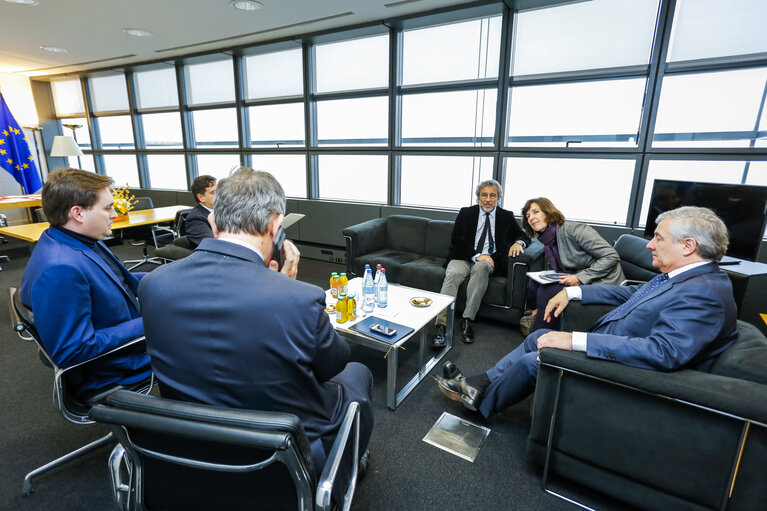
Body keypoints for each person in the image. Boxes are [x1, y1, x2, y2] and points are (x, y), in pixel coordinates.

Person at [138, 167, 374, 496]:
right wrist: (285, 286)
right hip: (278, 455)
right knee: (358, 371)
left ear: (213, 223)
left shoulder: (153, 284)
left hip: (186, 445)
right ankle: (347, 464)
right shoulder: (298, 297)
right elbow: (332, 364)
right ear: (276, 226)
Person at [434, 206, 738, 418]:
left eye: (658, 238)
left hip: (621, 367)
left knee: (533, 360)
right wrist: (572, 291)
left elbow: (663, 352)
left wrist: (575, 341)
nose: (650, 246)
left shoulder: (705, 292)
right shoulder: (686, 277)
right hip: (611, 344)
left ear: (688, 246)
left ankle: (481, 406)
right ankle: (477, 384)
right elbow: (631, 292)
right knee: (539, 335)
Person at [19, 168, 151, 398]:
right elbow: (73, 350)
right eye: (108, 208)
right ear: (78, 213)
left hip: (123, 337)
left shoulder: (76, 238)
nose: (114, 214)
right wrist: (150, 321)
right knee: (203, 341)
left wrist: (170, 279)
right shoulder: (60, 268)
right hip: (114, 368)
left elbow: (119, 280)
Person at [433, 179, 530, 347]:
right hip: (464, 257)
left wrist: (518, 243)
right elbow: (457, 240)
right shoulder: (466, 213)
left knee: (481, 267)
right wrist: (476, 255)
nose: (488, 199)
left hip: (489, 261)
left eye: (493, 195)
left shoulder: (506, 216)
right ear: (477, 197)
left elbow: (524, 236)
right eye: (484, 195)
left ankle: (467, 320)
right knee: (454, 273)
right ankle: (441, 325)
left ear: (499, 198)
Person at [521, 197, 624, 333]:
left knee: (547, 291)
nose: (531, 218)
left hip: (603, 281)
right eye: (528, 216)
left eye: (536, 212)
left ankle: (537, 338)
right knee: (533, 284)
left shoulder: (575, 230)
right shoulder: (548, 240)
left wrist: (580, 278)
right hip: (576, 276)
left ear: (548, 212)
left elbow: (611, 256)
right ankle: (545, 319)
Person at [185, 174, 216, 248]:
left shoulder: (224, 211)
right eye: (214, 192)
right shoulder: (195, 218)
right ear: (201, 197)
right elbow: (212, 245)